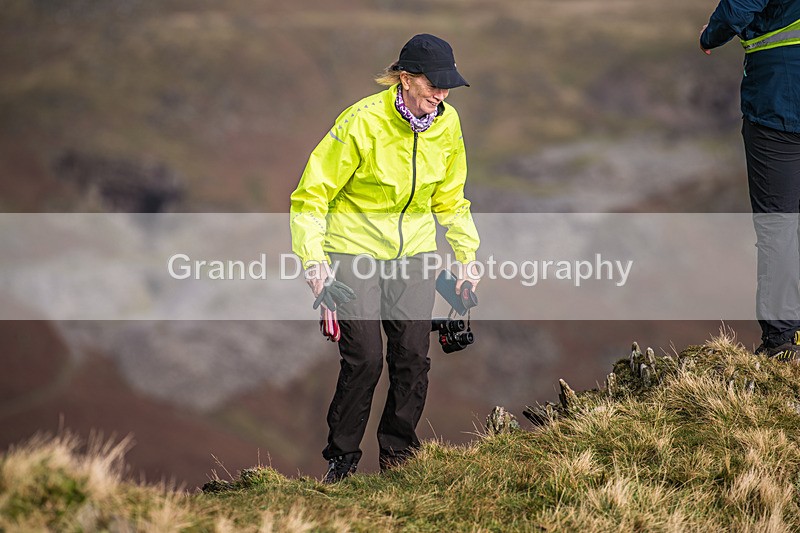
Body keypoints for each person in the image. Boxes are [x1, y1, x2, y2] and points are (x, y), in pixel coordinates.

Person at [289, 34, 481, 483]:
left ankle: (399, 460)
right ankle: (342, 460)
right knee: (366, 358)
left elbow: (452, 199)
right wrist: (315, 266)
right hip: (353, 252)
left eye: (448, 85)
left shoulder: (447, 124)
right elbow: (311, 197)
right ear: (406, 78)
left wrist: (466, 258)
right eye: (434, 83)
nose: (442, 93)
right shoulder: (361, 122)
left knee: (413, 356)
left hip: (414, 254)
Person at [700, 0, 800, 359]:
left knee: (779, 225)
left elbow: (738, 8)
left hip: (781, 107)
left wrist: (710, 35)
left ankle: (783, 341)